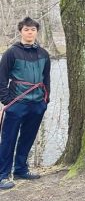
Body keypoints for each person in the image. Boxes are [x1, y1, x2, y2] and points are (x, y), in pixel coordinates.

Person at [0, 17, 50, 190]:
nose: (30, 32)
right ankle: (3, 175)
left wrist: (45, 99)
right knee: (8, 140)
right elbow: (2, 77)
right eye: (27, 29)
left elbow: (46, 78)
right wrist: (7, 101)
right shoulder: (11, 53)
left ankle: (21, 168)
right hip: (17, 103)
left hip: (37, 103)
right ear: (21, 31)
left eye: (33, 30)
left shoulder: (43, 53)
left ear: (37, 32)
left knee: (28, 137)